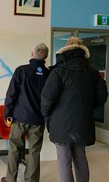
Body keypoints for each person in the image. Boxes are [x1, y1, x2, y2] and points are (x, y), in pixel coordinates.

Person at [41, 37, 108, 182]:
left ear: (65, 50)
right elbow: (102, 96)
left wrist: (47, 116)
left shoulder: (58, 72)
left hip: (60, 123)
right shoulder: (93, 72)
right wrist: (87, 107)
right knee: (80, 157)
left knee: (64, 160)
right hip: (83, 122)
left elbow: (46, 99)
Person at [1, 43, 50, 182]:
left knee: (14, 149)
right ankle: (31, 180)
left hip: (19, 118)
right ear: (46, 56)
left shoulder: (21, 71)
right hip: (38, 120)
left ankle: (10, 179)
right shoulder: (49, 74)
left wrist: (7, 114)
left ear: (32, 54)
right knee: (34, 152)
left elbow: (11, 95)